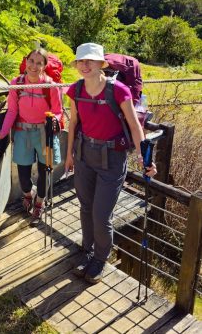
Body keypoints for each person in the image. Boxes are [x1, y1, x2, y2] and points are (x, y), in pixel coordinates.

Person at [65, 42, 157, 284]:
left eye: (90, 61)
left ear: (100, 64)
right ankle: (87, 250)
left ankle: (100, 258)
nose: (84, 65)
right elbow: (73, 123)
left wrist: (145, 157)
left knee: (101, 214)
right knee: (85, 208)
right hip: (84, 156)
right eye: (80, 61)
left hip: (112, 160)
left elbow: (136, 127)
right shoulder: (75, 91)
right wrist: (68, 155)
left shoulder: (119, 91)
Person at [0, 48, 62, 225]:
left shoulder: (50, 87)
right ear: (26, 61)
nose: (34, 66)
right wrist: (2, 133)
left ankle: (39, 202)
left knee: (46, 172)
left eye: (39, 63)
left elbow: (58, 111)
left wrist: (54, 121)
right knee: (23, 175)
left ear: (45, 66)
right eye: (31, 61)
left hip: (45, 132)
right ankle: (28, 194)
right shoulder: (17, 83)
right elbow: (12, 111)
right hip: (23, 132)